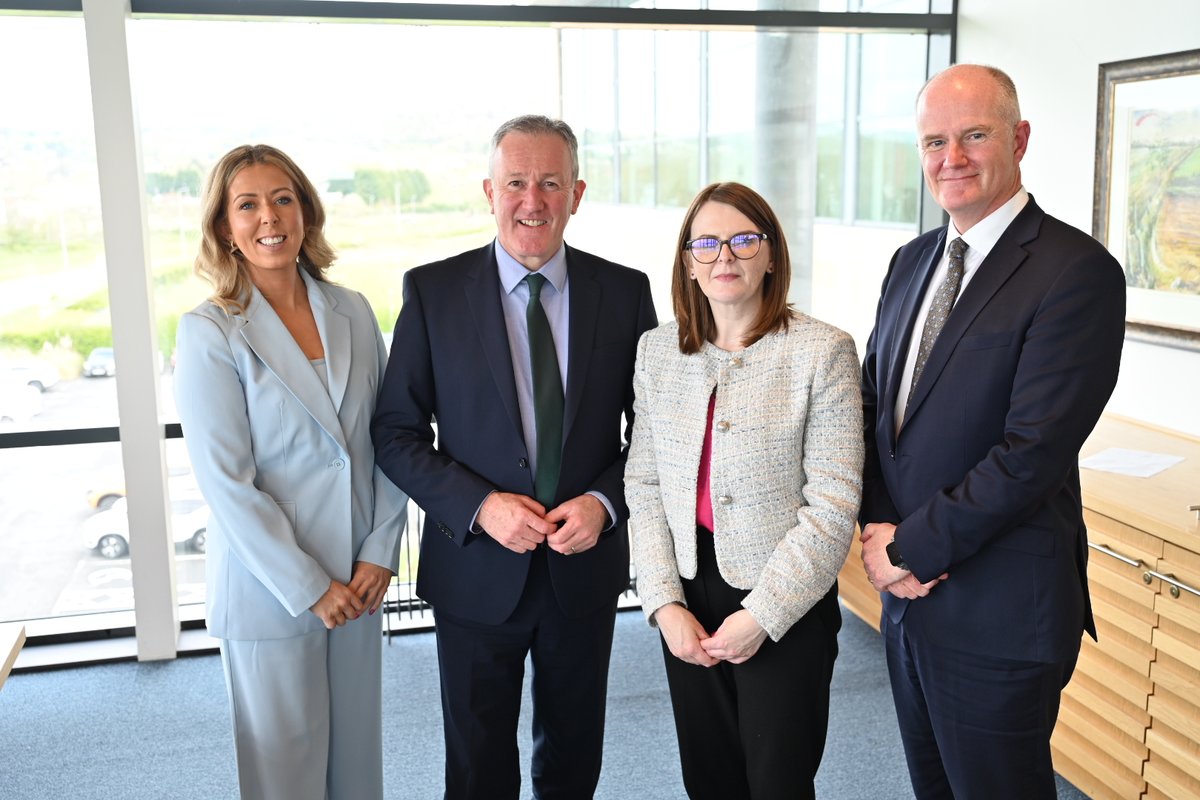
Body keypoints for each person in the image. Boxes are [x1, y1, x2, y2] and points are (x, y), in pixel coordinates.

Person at [858, 64, 1126, 799]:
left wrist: (911, 547)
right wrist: (880, 524)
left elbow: (1031, 452)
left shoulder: (1077, 272)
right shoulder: (911, 262)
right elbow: (876, 407)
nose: (953, 158)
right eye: (934, 141)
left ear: (1020, 138)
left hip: (1000, 612)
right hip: (908, 603)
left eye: (974, 135)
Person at [371, 115, 657, 800]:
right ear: (489, 191)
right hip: (473, 570)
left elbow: (654, 429)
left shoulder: (625, 292)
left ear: (577, 193)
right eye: (517, 183)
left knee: (573, 752)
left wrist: (604, 502)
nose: (533, 201)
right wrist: (480, 507)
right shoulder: (433, 293)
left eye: (550, 183)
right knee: (475, 763)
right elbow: (395, 432)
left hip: (581, 570)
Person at [175, 144, 408, 800]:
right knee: (286, 778)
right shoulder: (210, 331)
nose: (268, 216)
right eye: (246, 204)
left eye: (283, 198)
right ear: (224, 226)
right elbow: (226, 482)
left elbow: (388, 441)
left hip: (359, 585)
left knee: (358, 771)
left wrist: (380, 555)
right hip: (271, 591)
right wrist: (310, 586)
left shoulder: (354, 311)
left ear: (306, 211)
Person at [625, 182, 864, 800]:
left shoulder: (823, 352)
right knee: (709, 781)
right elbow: (644, 483)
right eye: (706, 243)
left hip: (785, 598)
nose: (724, 255)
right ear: (688, 262)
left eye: (743, 240)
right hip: (688, 590)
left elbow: (833, 506)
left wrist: (762, 615)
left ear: (772, 255)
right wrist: (661, 603)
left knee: (778, 784)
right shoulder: (657, 351)